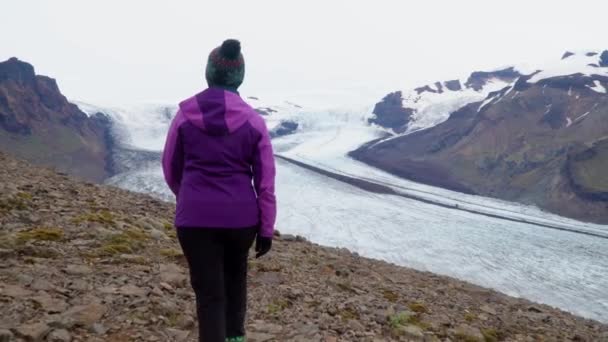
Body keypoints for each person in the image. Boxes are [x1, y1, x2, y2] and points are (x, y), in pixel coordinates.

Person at [161, 39, 276, 342]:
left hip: (195, 220)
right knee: (235, 282)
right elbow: (265, 181)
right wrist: (266, 228)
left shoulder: (185, 116)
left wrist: (189, 197)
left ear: (209, 72)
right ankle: (235, 338)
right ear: (239, 76)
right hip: (241, 221)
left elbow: (170, 167)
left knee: (209, 295)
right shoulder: (253, 121)